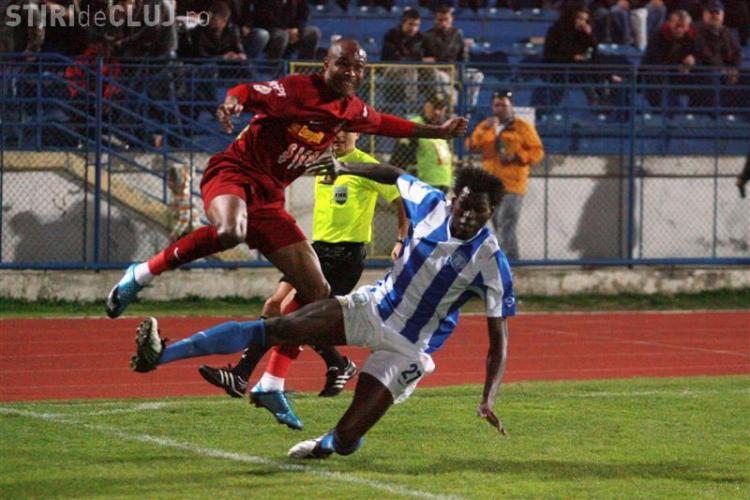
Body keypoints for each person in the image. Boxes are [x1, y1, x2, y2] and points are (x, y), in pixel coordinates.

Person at [129, 161, 515, 460]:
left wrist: (488, 398)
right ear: (453, 199)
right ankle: (162, 354)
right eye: (464, 206)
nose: (467, 216)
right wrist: (345, 167)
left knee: (347, 439)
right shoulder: (429, 203)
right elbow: (394, 174)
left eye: (478, 211)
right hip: (372, 308)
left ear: (491, 211)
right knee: (278, 327)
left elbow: (498, 340)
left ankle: (329, 442)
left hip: (407, 348)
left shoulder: (490, 261)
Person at [105, 39, 469, 321]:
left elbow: (388, 124)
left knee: (317, 289)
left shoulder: (351, 109)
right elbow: (248, 91)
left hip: (270, 198)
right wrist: (233, 103)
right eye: (343, 64)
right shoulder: (298, 90)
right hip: (235, 172)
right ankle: (142, 273)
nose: (351, 73)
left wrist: (438, 130)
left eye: (358, 68)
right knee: (231, 230)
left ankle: (272, 376)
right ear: (326, 65)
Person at [198, 131, 409, 430]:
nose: (338, 136)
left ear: (358, 133)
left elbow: (402, 200)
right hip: (316, 251)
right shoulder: (322, 163)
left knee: (295, 316)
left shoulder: (366, 166)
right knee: (273, 305)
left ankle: (243, 375)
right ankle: (337, 364)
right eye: (335, 130)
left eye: (346, 131)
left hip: (344, 257)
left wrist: (401, 239)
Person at [465, 90, 544, 260]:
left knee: (505, 223)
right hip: (490, 185)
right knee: (499, 225)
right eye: (496, 105)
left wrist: (517, 156)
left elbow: (537, 152)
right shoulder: (486, 126)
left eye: (504, 105)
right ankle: (513, 261)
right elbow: (471, 145)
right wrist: (483, 129)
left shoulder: (522, 127)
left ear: (511, 106)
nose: (500, 108)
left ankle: (503, 262)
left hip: (512, 184)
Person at [422, 6, 484, 109]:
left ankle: (469, 106)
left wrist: (458, 68)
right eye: (440, 20)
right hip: (437, 71)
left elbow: (463, 57)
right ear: (435, 20)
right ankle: (452, 106)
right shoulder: (427, 36)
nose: (443, 23)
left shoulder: (458, 33)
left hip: (456, 70)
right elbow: (424, 58)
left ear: (451, 19)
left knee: (476, 75)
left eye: (446, 19)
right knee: (443, 78)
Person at [392, 93, 454, 193]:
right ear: (426, 107)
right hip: (422, 184)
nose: (437, 112)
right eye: (434, 108)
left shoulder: (443, 128)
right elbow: (399, 156)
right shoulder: (415, 125)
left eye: (441, 108)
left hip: (443, 183)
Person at [640, 10, 697, 109]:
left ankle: (690, 112)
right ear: (670, 23)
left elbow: (698, 54)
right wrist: (678, 67)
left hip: (680, 74)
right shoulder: (658, 35)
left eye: (683, 26)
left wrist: (693, 59)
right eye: (676, 26)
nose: (679, 30)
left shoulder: (692, 37)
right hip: (656, 73)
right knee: (658, 74)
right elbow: (654, 60)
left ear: (688, 27)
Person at [243, 0, 321, 60]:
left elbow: (304, 14)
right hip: (270, 29)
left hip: (292, 31)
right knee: (282, 35)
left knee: (313, 33)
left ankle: (303, 69)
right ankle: (273, 69)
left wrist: (298, 29)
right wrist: (286, 30)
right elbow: (263, 17)